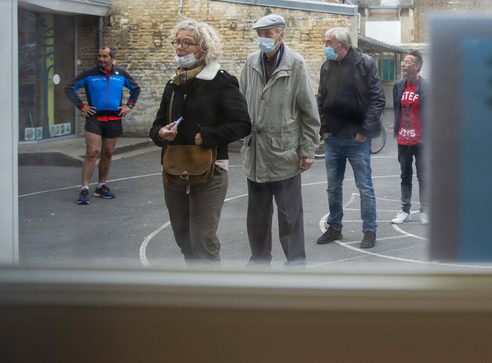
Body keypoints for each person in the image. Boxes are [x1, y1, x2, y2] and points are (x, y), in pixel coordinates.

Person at [150, 19, 251, 263]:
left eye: (187, 43)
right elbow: (156, 125)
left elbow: (243, 124)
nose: (180, 48)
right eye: (177, 42)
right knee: (183, 237)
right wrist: (160, 134)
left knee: (203, 238)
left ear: (204, 49)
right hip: (174, 169)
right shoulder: (173, 84)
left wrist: (207, 136)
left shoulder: (221, 81)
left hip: (211, 170)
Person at [239, 14, 319, 266]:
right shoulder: (251, 63)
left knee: (290, 216)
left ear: (281, 35)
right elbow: (241, 102)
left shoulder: (295, 64)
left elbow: (308, 111)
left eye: (267, 34)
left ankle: (296, 262)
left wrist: (307, 150)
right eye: (259, 35)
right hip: (255, 154)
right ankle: (259, 261)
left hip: (284, 153)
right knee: (257, 216)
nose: (262, 40)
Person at [315, 26, 385, 249]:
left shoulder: (364, 63)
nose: (325, 46)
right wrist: (324, 130)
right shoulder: (327, 66)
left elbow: (377, 99)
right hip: (333, 138)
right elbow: (321, 99)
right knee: (333, 187)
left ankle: (369, 230)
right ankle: (334, 228)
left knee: (365, 187)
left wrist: (364, 131)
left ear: (341, 45)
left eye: (328, 43)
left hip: (357, 139)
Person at [64, 46, 141, 205]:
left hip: (114, 118)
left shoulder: (120, 74)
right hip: (95, 118)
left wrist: (129, 106)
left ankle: (101, 185)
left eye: (104, 56)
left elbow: (136, 89)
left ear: (113, 58)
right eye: (99, 56)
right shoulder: (89, 74)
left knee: (107, 152)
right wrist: (81, 106)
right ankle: (84, 188)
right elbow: (69, 87)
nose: (101, 59)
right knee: (92, 152)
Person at [391, 49, 428, 224]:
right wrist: (397, 132)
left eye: (407, 62)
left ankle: (425, 210)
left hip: (421, 141)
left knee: (423, 176)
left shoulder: (427, 87)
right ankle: (405, 210)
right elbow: (397, 110)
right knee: (405, 176)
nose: (403, 65)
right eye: (403, 62)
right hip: (403, 140)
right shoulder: (399, 85)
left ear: (417, 66)